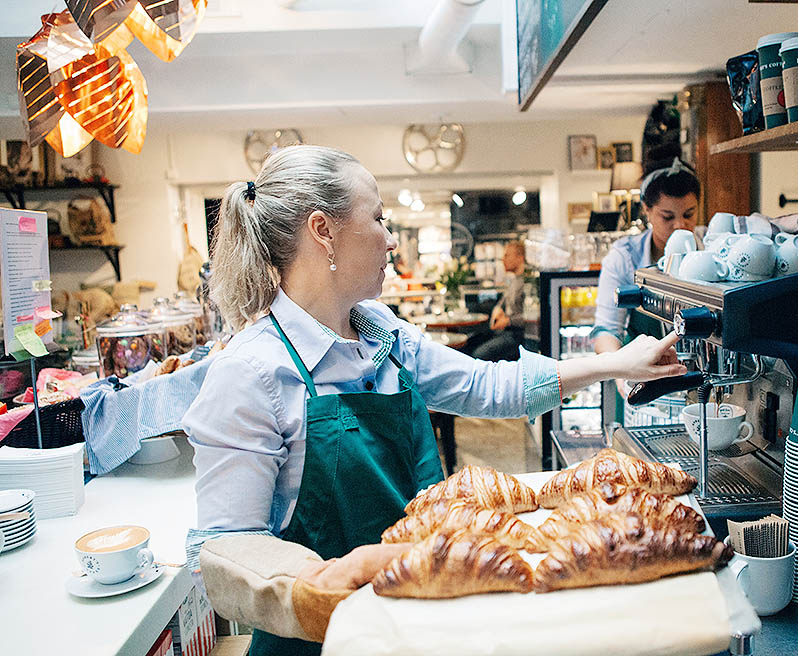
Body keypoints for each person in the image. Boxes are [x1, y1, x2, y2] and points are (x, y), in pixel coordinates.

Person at [186, 145, 685, 653]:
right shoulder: (250, 374)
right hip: (324, 642)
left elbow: (488, 387)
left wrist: (617, 363)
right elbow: (227, 551)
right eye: (379, 220)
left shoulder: (380, 333)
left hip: (419, 626)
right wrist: (335, 578)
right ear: (324, 232)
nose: (390, 243)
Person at [591, 158, 700, 413]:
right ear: (647, 210)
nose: (680, 225)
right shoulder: (624, 256)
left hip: (698, 376)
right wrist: (621, 372)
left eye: (689, 214)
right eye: (667, 216)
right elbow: (606, 330)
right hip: (641, 376)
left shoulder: (712, 248)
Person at [471, 241, 526, 361]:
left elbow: (532, 316)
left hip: (517, 335)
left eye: (507, 255)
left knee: (478, 356)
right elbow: (503, 300)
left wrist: (509, 321)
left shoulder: (526, 283)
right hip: (504, 332)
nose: (502, 259)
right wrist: (498, 309)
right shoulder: (514, 280)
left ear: (519, 258)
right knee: (470, 342)